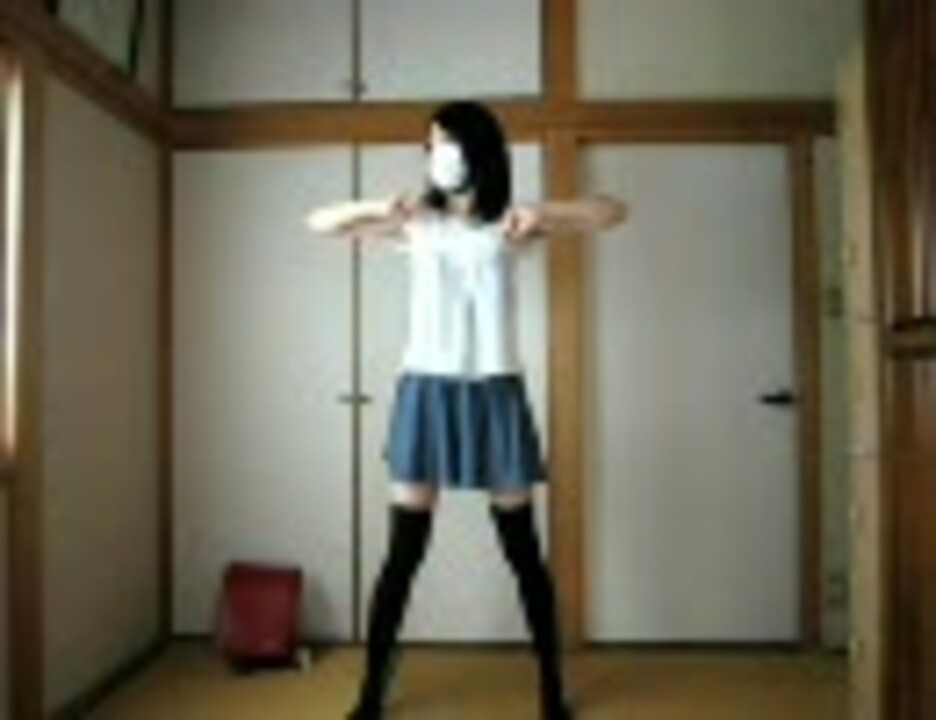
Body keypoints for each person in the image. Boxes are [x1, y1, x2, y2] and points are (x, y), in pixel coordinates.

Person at [306, 100, 626, 720]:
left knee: (523, 554)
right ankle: (370, 697)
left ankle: (552, 695)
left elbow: (611, 212)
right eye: (429, 146)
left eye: (444, 142)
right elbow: (318, 222)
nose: (435, 155)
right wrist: (381, 207)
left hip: (495, 390)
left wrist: (543, 212)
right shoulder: (417, 224)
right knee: (403, 555)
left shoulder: (511, 223)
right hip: (426, 390)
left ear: (476, 148)